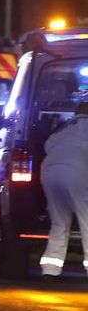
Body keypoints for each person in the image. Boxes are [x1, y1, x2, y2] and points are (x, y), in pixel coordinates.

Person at [40, 101, 88, 279]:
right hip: (76, 174)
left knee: (59, 222)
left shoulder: (64, 129)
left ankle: (50, 270)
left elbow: (47, 146)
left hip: (50, 172)